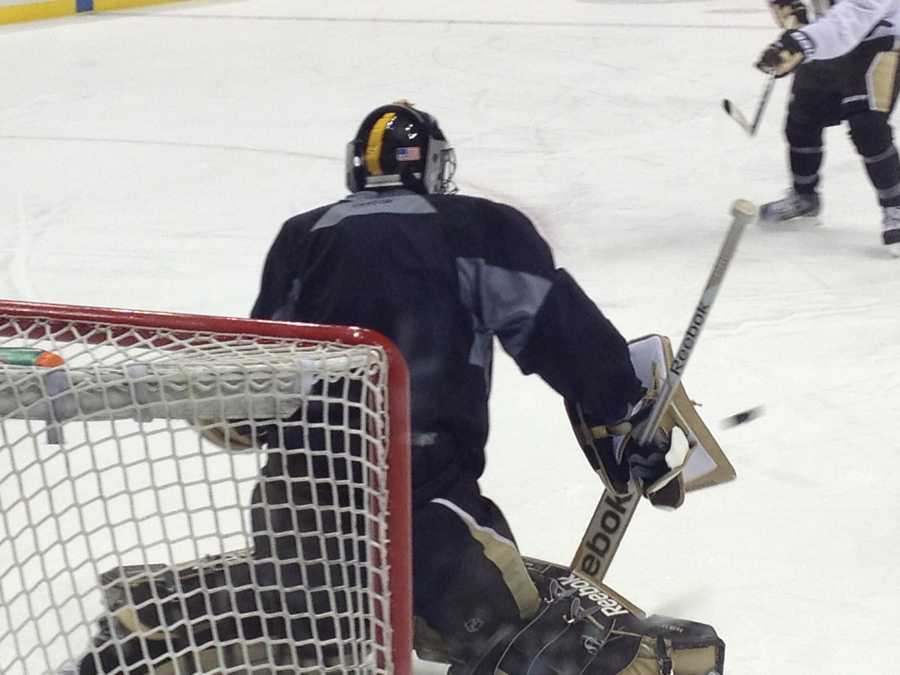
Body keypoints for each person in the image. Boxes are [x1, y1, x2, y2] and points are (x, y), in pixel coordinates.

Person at [246, 101, 675, 674]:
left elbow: (260, 392)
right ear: (431, 167)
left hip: (293, 508)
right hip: (424, 510)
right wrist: (624, 406)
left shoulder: (300, 238)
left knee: (309, 639)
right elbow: (555, 327)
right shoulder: (472, 228)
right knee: (534, 641)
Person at [756, 0, 900, 257]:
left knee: (867, 125)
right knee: (802, 119)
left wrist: (800, 43)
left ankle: (896, 206)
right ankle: (804, 197)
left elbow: (855, 15)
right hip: (827, 31)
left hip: (881, 35)